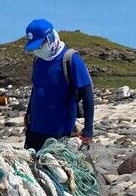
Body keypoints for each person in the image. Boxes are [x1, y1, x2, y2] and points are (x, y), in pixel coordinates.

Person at [23, 19, 95, 151]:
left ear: (50, 37)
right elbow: (36, 89)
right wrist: (28, 114)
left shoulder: (70, 59)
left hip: (59, 131)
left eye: (40, 45)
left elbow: (87, 94)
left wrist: (88, 129)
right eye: (34, 48)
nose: (38, 50)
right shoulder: (38, 60)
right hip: (35, 128)